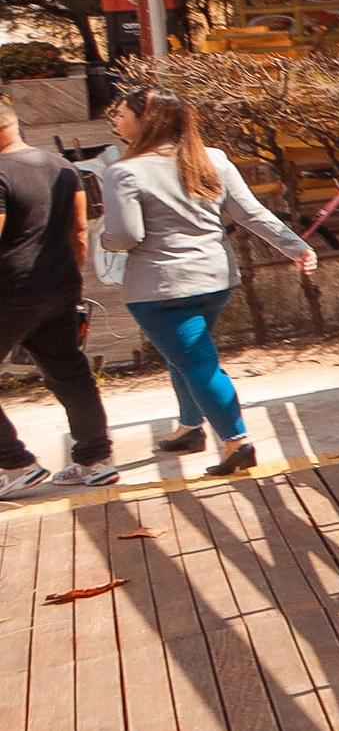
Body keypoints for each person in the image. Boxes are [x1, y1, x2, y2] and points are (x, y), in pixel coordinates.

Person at [91, 89, 313, 474]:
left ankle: (237, 442)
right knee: (185, 357)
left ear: (147, 121)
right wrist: (297, 247)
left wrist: (104, 238)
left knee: (198, 364)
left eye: (122, 113)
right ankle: (190, 427)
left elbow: (126, 236)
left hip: (161, 287)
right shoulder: (213, 159)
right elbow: (251, 213)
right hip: (215, 280)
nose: (116, 120)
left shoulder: (124, 171)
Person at [0, 98, 112, 489]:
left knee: (69, 373)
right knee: (71, 374)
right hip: (60, 288)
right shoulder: (61, 166)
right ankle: (96, 461)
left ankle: (16, 464)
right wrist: (70, 278)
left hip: (9, 292)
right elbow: (80, 230)